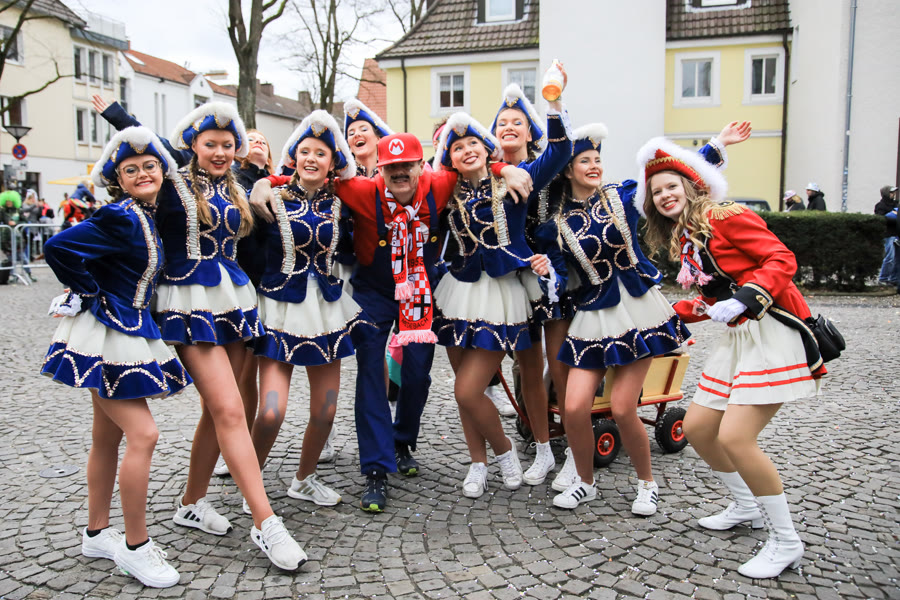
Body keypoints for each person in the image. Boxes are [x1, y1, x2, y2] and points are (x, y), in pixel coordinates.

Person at [250, 133, 531, 511]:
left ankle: (402, 440)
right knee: (370, 372)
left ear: (420, 166)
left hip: (421, 289)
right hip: (375, 291)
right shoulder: (361, 191)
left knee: (416, 373)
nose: (400, 173)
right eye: (391, 167)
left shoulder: (439, 184)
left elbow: (471, 166)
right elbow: (314, 176)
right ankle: (376, 468)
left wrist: (503, 168)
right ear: (380, 170)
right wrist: (267, 181)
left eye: (407, 166)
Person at [639, 136, 827, 579]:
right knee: (699, 428)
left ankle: (786, 541)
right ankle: (746, 505)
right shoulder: (688, 235)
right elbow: (712, 299)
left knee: (736, 438)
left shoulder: (724, 215)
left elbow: (781, 259)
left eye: (671, 186)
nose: (664, 195)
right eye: (656, 191)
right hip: (740, 337)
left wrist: (746, 297)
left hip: (773, 329)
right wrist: (666, 313)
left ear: (691, 185)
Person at [537, 122, 748, 512]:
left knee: (622, 407)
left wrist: (717, 145)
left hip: (639, 312)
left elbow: (670, 177)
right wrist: (547, 272)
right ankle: (585, 482)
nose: (594, 166)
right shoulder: (557, 224)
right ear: (567, 170)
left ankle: (646, 483)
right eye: (585, 161)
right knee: (574, 407)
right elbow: (563, 278)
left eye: (597, 159)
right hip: (593, 315)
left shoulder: (622, 196)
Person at [158, 102, 307, 571]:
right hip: (188, 303)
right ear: (193, 145)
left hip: (234, 302)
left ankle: (191, 502)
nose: (220, 152)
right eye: (211, 144)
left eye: (227, 145)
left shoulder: (237, 187)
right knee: (229, 409)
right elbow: (140, 155)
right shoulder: (172, 183)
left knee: (220, 409)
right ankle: (266, 522)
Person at [41, 126, 189, 588]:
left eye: (150, 166)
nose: (143, 173)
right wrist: (88, 291)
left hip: (127, 330)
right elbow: (57, 247)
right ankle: (136, 546)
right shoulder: (122, 215)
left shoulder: (146, 214)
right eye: (131, 169)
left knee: (106, 436)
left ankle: (96, 533)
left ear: (162, 171)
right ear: (118, 180)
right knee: (144, 434)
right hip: (108, 333)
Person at [431, 111, 565, 499]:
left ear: (487, 147)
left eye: (473, 142)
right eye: (457, 147)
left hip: (506, 291)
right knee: (465, 388)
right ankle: (479, 462)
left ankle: (514, 451)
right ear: (450, 158)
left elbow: (559, 154)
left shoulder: (514, 179)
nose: (466, 150)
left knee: (472, 388)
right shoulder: (446, 191)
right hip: (458, 292)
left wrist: (554, 105)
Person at [249, 110, 372, 509]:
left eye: (321, 153)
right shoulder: (270, 198)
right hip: (279, 309)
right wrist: (263, 181)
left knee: (326, 408)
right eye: (305, 151)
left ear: (333, 163)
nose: (311, 159)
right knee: (271, 411)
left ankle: (304, 479)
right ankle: (250, 478)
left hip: (325, 311)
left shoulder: (341, 204)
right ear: (294, 157)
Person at [488, 81, 573, 484]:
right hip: (510, 279)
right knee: (526, 365)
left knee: (560, 367)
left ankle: (574, 448)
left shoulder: (540, 167)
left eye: (517, 122)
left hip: (549, 273)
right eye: (502, 122)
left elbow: (562, 150)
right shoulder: (487, 173)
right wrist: (499, 167)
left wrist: (554, 102)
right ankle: (541, 444)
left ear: (529, 132)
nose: (508, 127)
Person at [874, 185, 898, 286]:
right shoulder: (880, 205)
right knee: (890, 257)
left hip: (897, 233)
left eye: (894, 192)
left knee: (896, 258)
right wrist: (893, 215)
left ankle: (893, 279)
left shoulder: (896, 204)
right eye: (891, 192)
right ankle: (883, 278)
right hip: (888, 234)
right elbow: (881, 219)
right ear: (886, 194)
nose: (894, 194)